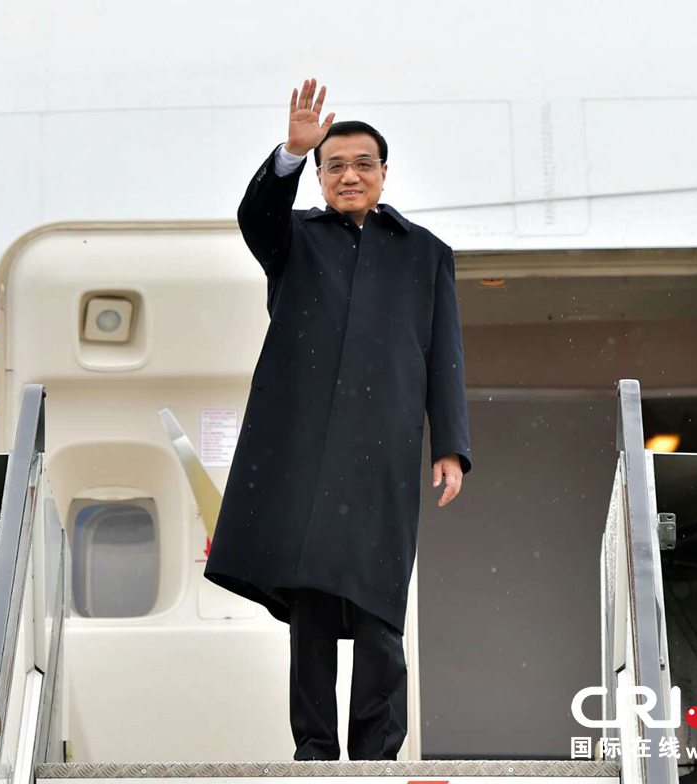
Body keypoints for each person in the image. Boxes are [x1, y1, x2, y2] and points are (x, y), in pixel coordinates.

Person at [204, 77, 473, 761]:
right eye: (334, 166)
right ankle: (316, 751)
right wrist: (290, 154)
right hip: (304, 446)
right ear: (320, 177)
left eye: (362, 164)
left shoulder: (426, 253)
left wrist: (450, 446)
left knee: (382, 601)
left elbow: (444, 355)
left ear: (384, 172)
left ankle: (378, 751)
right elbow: (255, 215)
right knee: (313, 603)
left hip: (385, 447)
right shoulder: (294, 237)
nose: (349, 176)